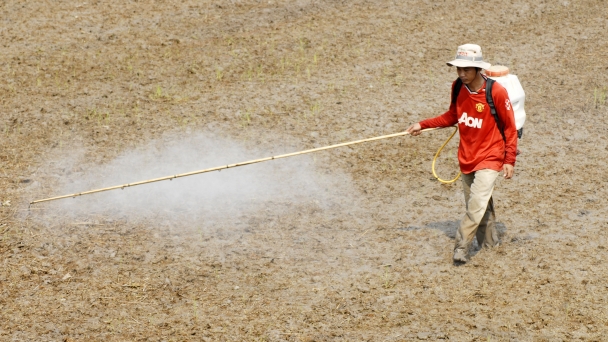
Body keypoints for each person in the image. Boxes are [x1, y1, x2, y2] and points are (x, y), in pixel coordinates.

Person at [406, 44, 518, 263]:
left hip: (491, 156)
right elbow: (452, 116)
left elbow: (510, 128)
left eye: (466, 69)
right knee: (478, 206)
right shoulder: (457, 87)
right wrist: (423, 124)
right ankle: (490, 245)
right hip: (467, 156)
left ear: (478, 69)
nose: (461, 73)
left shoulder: (495, 91)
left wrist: (509, 160)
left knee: (476, 204)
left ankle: (461, 247)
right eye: (458, 69)